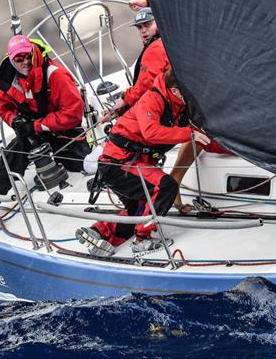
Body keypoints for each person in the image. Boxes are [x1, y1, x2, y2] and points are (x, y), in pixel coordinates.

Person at [76, 68, 210, 256]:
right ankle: (142, 239)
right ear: (174, 91)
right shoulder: (152, 99)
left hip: (131, 163)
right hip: (118, 163)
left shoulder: (178, 106)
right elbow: (151, 132)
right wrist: (190, 134)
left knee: (139, 209)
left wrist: (178, 204)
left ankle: (100, 232)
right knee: (166, 186)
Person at [0, 35, 90, 216]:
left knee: (84, 167)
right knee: (12, 154)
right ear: (11, 60)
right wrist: (15, 121)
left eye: (27, 56)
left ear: (33, 53)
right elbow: (3, 106)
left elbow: (73, 113)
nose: (24, 61)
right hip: (33, 132)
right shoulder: (11, 79)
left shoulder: (55, 75)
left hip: (65, 134)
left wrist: (36, 126)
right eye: (18, 58)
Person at [100, 6, 170, 123]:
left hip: (163, 113)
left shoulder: (155, 48)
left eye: (147, 25)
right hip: (167, 108)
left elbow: (146, 85)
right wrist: (119, 111)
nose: (143, 30)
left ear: (159, 22)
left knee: (119, 134)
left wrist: (124, 99)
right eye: (139, 27)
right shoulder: (166, 43)